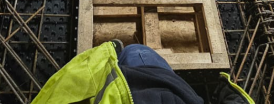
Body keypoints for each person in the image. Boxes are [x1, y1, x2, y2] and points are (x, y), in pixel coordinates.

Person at [32, 40, 254, 104]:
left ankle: (129, 53)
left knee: (137, 52)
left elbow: (66, 91)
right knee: (136, 52)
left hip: (134, 92)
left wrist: (105, 54)